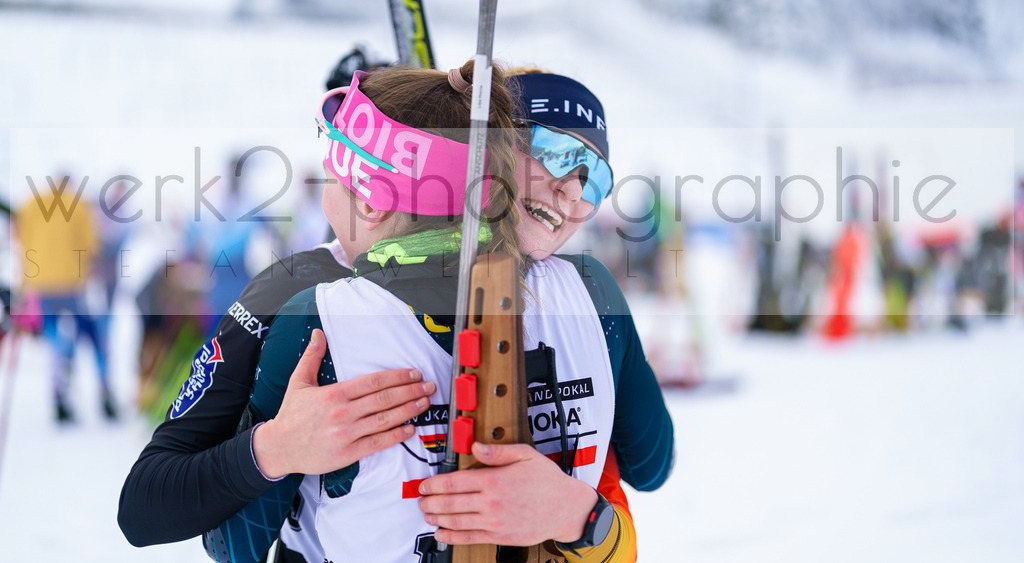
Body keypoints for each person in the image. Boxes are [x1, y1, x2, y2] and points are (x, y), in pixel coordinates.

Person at [118, 63, 672, 561]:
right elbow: (148, 505)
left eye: (593, 176)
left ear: (367, 197)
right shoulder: (591, 291)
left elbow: (228, 545)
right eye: (549, 151)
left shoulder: (308, 306)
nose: (570, 190)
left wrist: (580, 513)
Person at [14, 174, 117, 422]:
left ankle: (59, 396)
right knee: (93, 337)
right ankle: (104, 394)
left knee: (55, 340)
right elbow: (92, 244)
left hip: (40, 286)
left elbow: (22, 240)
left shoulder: (30, 204)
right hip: (72, 284)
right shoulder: (78, 204)